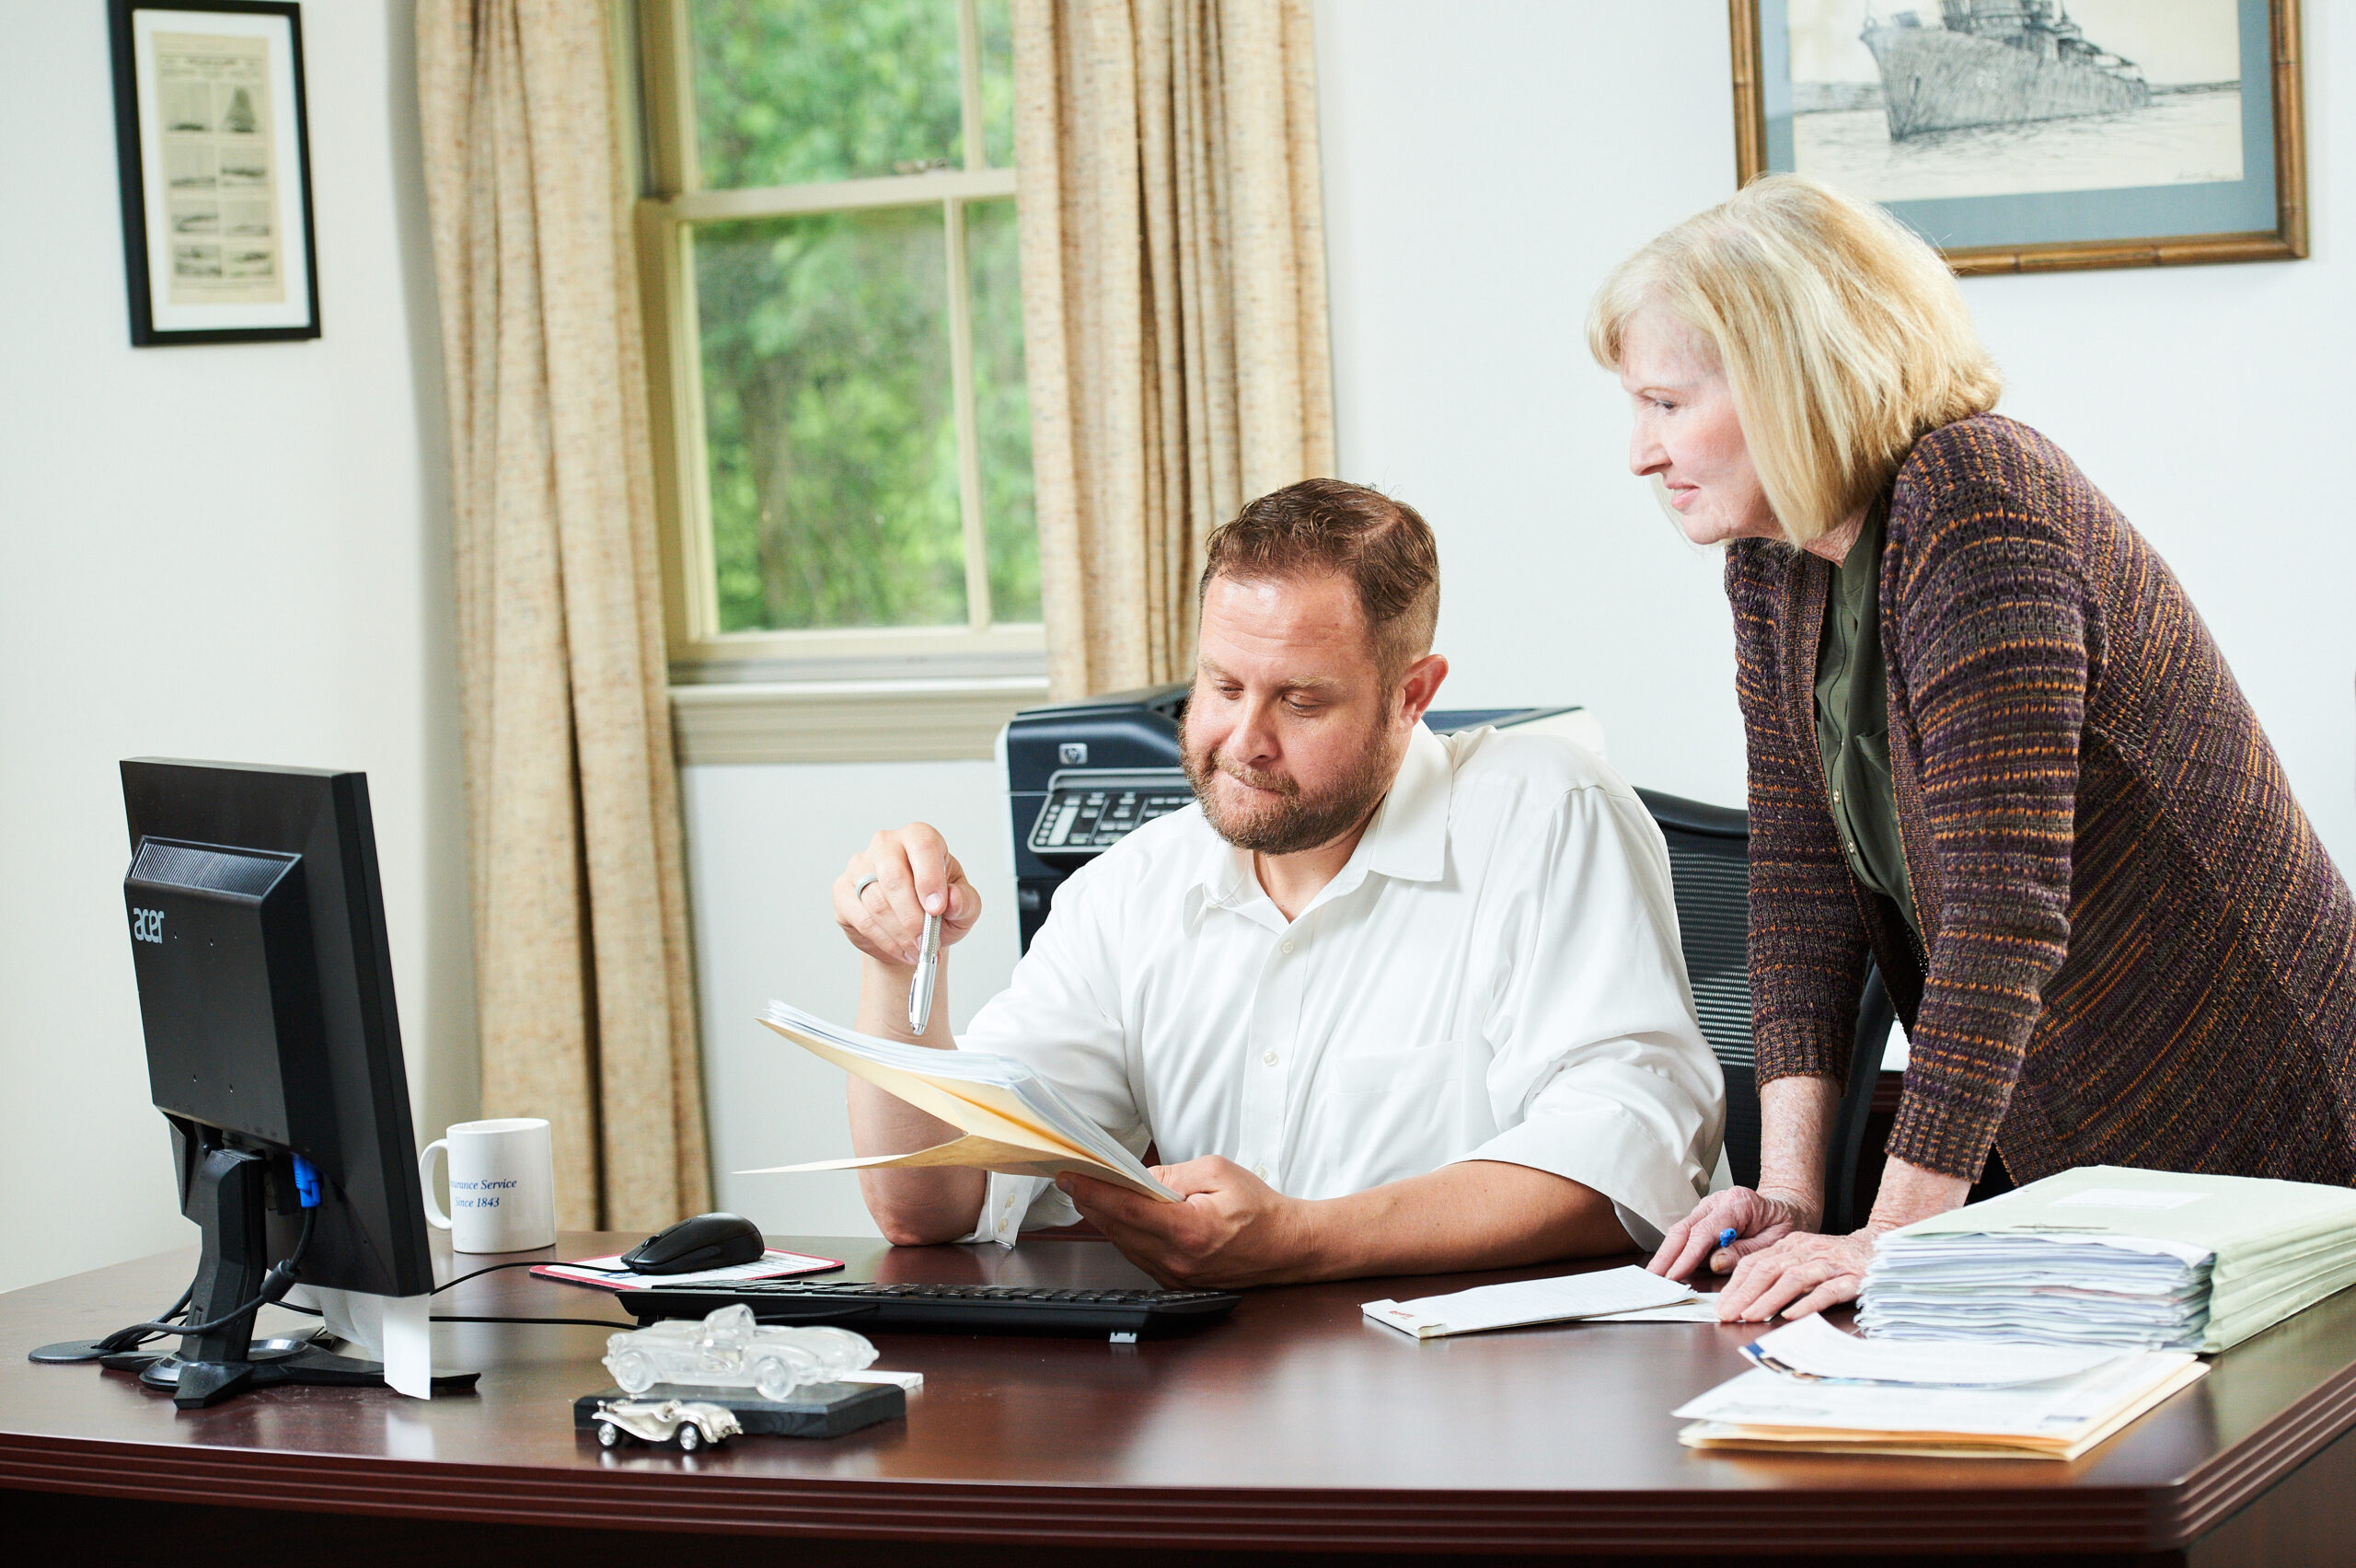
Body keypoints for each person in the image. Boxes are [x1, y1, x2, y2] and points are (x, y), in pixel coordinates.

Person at [1586, 174, 2356, 1322]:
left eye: (1663, 403)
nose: (1640, 454)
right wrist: (1792, 1197)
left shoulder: (1975, 497)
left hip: (2259, 1128)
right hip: (2085, 1156)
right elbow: (1801, 880)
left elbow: (2003, 906)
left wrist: (1892, 1235)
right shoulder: (1777, 557)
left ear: (1790, 379)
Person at [830, 479, 1724, 1289]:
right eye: (1221, 686)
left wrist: (1300, 1237)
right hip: (1232, 1402)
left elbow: (1626, 1160)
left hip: (1499, 1404)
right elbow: (929, 1209)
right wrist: (897, 967)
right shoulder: (1135, 887)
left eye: (1300, 702)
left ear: (1411, 694)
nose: (1242, 739)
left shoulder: (1542, 811)